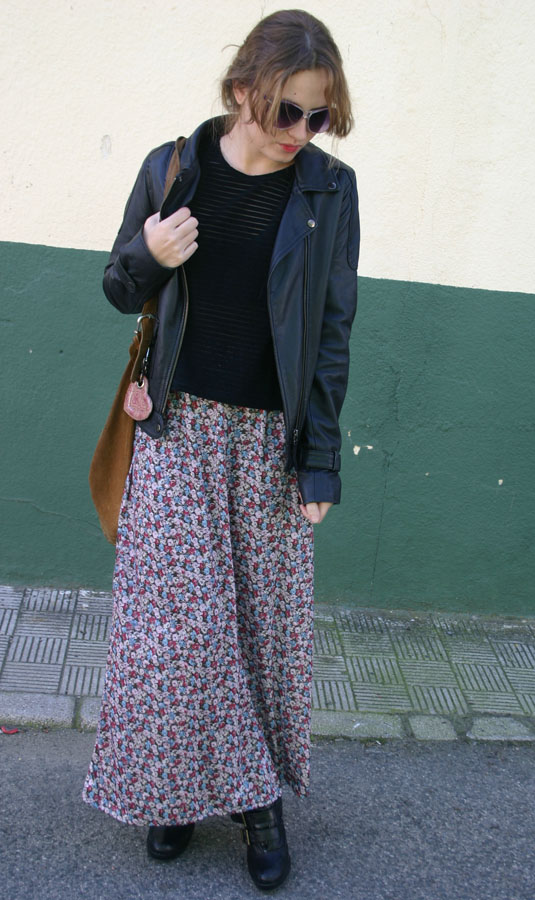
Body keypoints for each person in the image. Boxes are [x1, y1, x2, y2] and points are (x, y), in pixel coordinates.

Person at [83, 8, 359, 891]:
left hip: (270, 440)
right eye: (287, 110)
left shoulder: (329, 190)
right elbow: (118, 287)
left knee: (257, 630)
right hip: (175, 430)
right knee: (177, 632)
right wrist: (150, 253)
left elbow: (332, 331)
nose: (301, 131)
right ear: (244, 89)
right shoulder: (174, 168)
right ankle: (175, 793)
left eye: (319, 115)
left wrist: (320, 457)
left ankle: (257, 804)